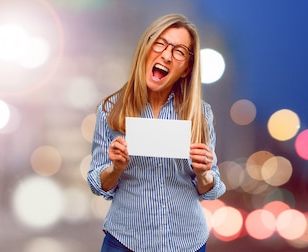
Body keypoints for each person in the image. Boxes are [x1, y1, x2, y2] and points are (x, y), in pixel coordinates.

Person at [87, 13, 226, 252]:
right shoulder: (110, 109)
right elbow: (98, 183)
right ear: (146, 49)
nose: (166, 55)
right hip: (124, 240)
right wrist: (115, 168)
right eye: (160, 43)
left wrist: (203, 173)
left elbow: (211, 188)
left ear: (185, 70)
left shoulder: (200, 115)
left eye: (179, 51)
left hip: (187, 242)